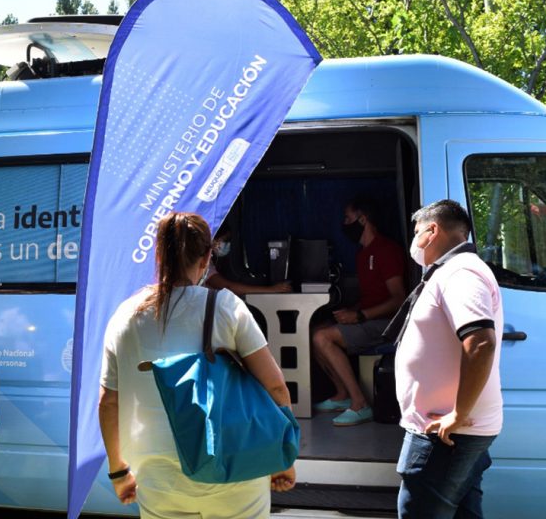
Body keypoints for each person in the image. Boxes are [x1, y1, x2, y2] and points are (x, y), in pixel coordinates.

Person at [99, 213, 296, 518]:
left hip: (158, 479)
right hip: (235, 468)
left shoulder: (125, 316)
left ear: (158, 256)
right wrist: (282, 458)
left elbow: (109, 402)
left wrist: (118, 472)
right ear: (206, 259)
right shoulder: (226, 306)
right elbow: (276, 387)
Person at [393, 199, 503, 518]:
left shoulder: (461, 273)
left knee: (420, 511)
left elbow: (480, 342)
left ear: (432, 230)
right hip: (451, 429)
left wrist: (458, 414)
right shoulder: (453, 271)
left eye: (417, 232)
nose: (415, 242)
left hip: (446, 432)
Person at [310, 196, 405, 426]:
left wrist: (360, 316)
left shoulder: (386, 250)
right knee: (315, 331)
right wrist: (350, 312)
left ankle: (360, 403)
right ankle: (342, 395)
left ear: (362, 219)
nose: (344, 223)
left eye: (347, 218)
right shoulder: (363, 254)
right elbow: (369, 297)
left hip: (389, 323)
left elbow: (399, 299)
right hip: (370, 318)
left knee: (323, 337)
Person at [204, 227, 292, 296]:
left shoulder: (208, 261)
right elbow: (228, 287)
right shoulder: (204, 265)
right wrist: (272, 290)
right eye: (223, 240)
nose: (222, 244)